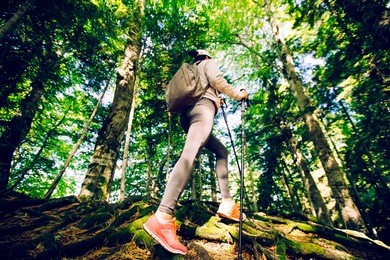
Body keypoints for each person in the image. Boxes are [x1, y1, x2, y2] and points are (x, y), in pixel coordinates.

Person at [143, 49, 249, 255]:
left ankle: (227, 203)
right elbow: (217, 80)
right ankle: (162, 216)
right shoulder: (208, 63)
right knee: (189, 155)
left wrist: (217, 99)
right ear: (207, 57)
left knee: (221, 152)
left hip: (188, 114)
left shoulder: (194, 70)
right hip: (202, 110)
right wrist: (239, 94)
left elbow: (208, 87)